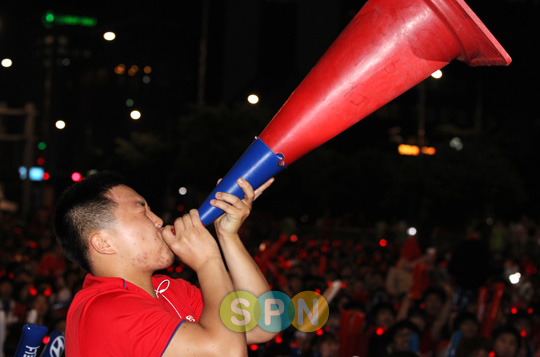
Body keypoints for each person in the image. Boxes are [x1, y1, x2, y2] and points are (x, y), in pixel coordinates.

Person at [53, 171, 277, 356]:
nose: (159, 220)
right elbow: (228, 353)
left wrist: (228, 236)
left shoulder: (170, 289)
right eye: (142, 210)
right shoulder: (103, 308)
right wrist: (208, 260)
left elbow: (264, 324)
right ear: (103, 243)